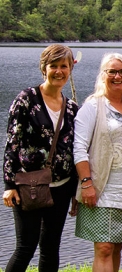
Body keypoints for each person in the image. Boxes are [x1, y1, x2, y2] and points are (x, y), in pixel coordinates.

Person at [72, 53, 122, 272]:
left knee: (117, 247)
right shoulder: (92, 106)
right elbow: (79, 148)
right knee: (104, 248)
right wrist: (87, 183)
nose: (118, 76)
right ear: (103, 75)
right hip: (101, 188)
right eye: (112, 72)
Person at [2, 44, 79, 272]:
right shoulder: (26, 99)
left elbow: (74, 151)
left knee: (50, 247)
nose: (58, 71)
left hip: (61, 187)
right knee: (26, 246)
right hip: (29, 185)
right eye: (53, 66)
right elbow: (12, 143)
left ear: (69, 70)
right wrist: (9, 185)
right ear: (43, 68)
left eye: (63, 66)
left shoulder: (72, 108)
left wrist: (76, 191)